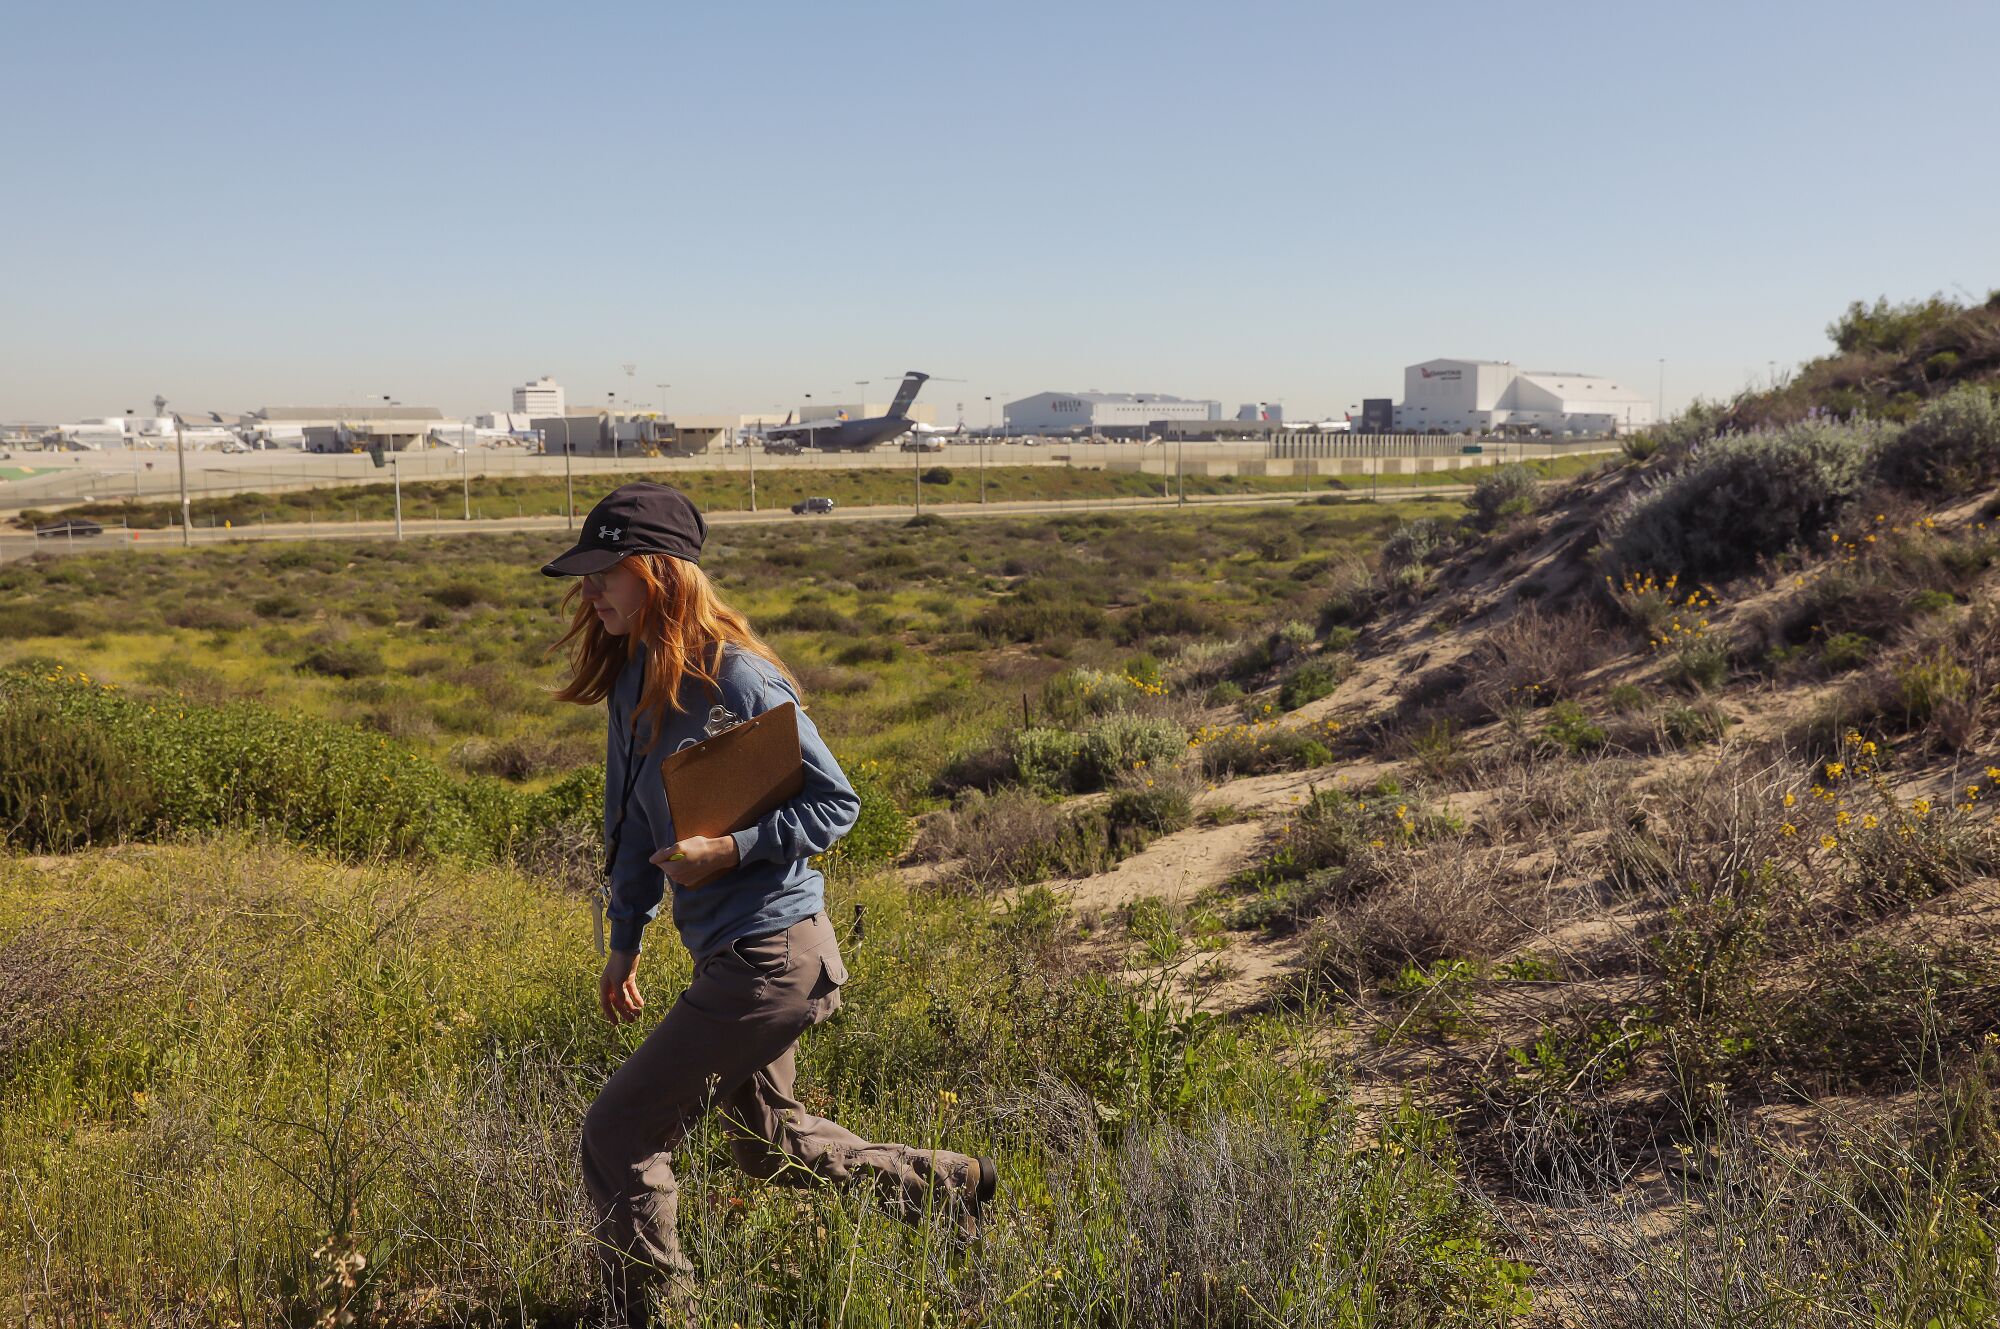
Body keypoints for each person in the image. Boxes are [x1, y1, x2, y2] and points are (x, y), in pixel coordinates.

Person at [542, 482, 995, 1324]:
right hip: (738, 954)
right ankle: (945, 1185)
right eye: (585, 574)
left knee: (617, 1132)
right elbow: (626, 824)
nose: (590, 589)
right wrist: (624, 939)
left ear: (661, 571)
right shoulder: (634, 681)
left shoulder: (738, 678)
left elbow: (837, 804)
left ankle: (654, 1312)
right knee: (767, 1143)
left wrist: (732, 848)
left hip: (774, 956)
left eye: (605, 570)